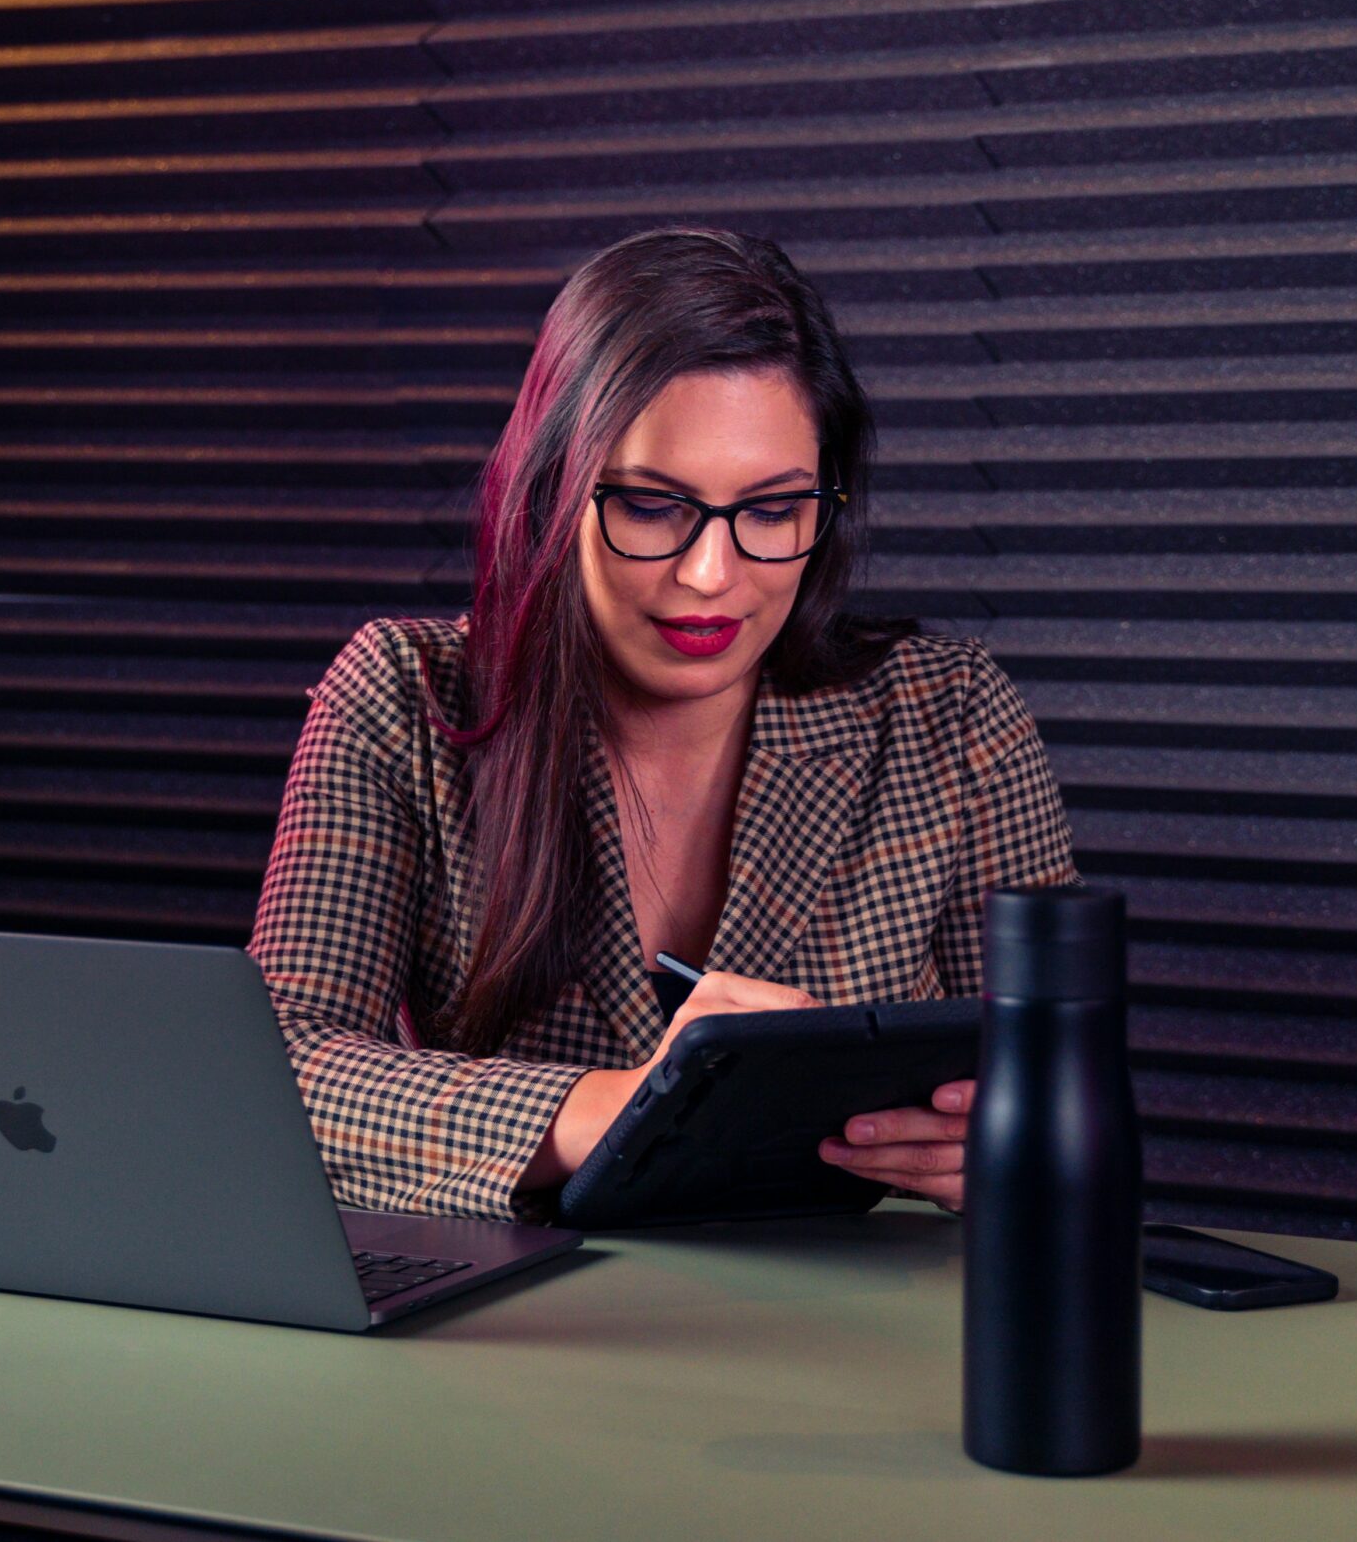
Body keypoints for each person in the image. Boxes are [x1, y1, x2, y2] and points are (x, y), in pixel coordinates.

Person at [246, 225, 1077, 1222]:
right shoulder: (400, 696)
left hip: (849, 1338)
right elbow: (273, 1075)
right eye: (650, 507)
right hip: (515, 1333)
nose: (710, 576)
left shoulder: (948, 718)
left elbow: (1060, 1104)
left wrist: (1014, 1144)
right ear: (551, 486)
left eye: (772, 511)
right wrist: (612, 1109)